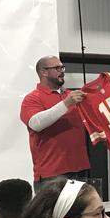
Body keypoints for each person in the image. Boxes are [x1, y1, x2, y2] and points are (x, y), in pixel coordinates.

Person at [20, 55, 91, 186]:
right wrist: (67, 103)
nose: (62, 71)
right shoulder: (32, 99)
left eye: (62, 67)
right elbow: (36, 124)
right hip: (52, 174)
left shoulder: (70, 95)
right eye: (57, 68)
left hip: (80, 169)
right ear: (43, 72)